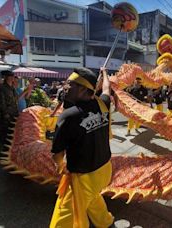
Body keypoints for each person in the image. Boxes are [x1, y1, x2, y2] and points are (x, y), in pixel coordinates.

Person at [50, 67, 114, 228]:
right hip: (104, 170)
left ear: (82, 89)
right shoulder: (103, 104)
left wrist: (61, 166)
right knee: (92, 197)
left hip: (84, 176)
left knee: (64, 217)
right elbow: (107, 88)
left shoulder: (69, 116)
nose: (65, 87)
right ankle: (105, 222)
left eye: (70, 84)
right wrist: (105, 72)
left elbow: (57, 154)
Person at [0, 70, 18, 142]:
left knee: (13, 133)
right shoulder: (1, 88)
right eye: (10, 76)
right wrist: (5, 113)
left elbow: (15, 100)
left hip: (14, 113)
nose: (12, 78)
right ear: (5, 77)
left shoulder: (12, 88)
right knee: (6, 134)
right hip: (7, 114)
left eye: (13, 76)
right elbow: (1, 102)